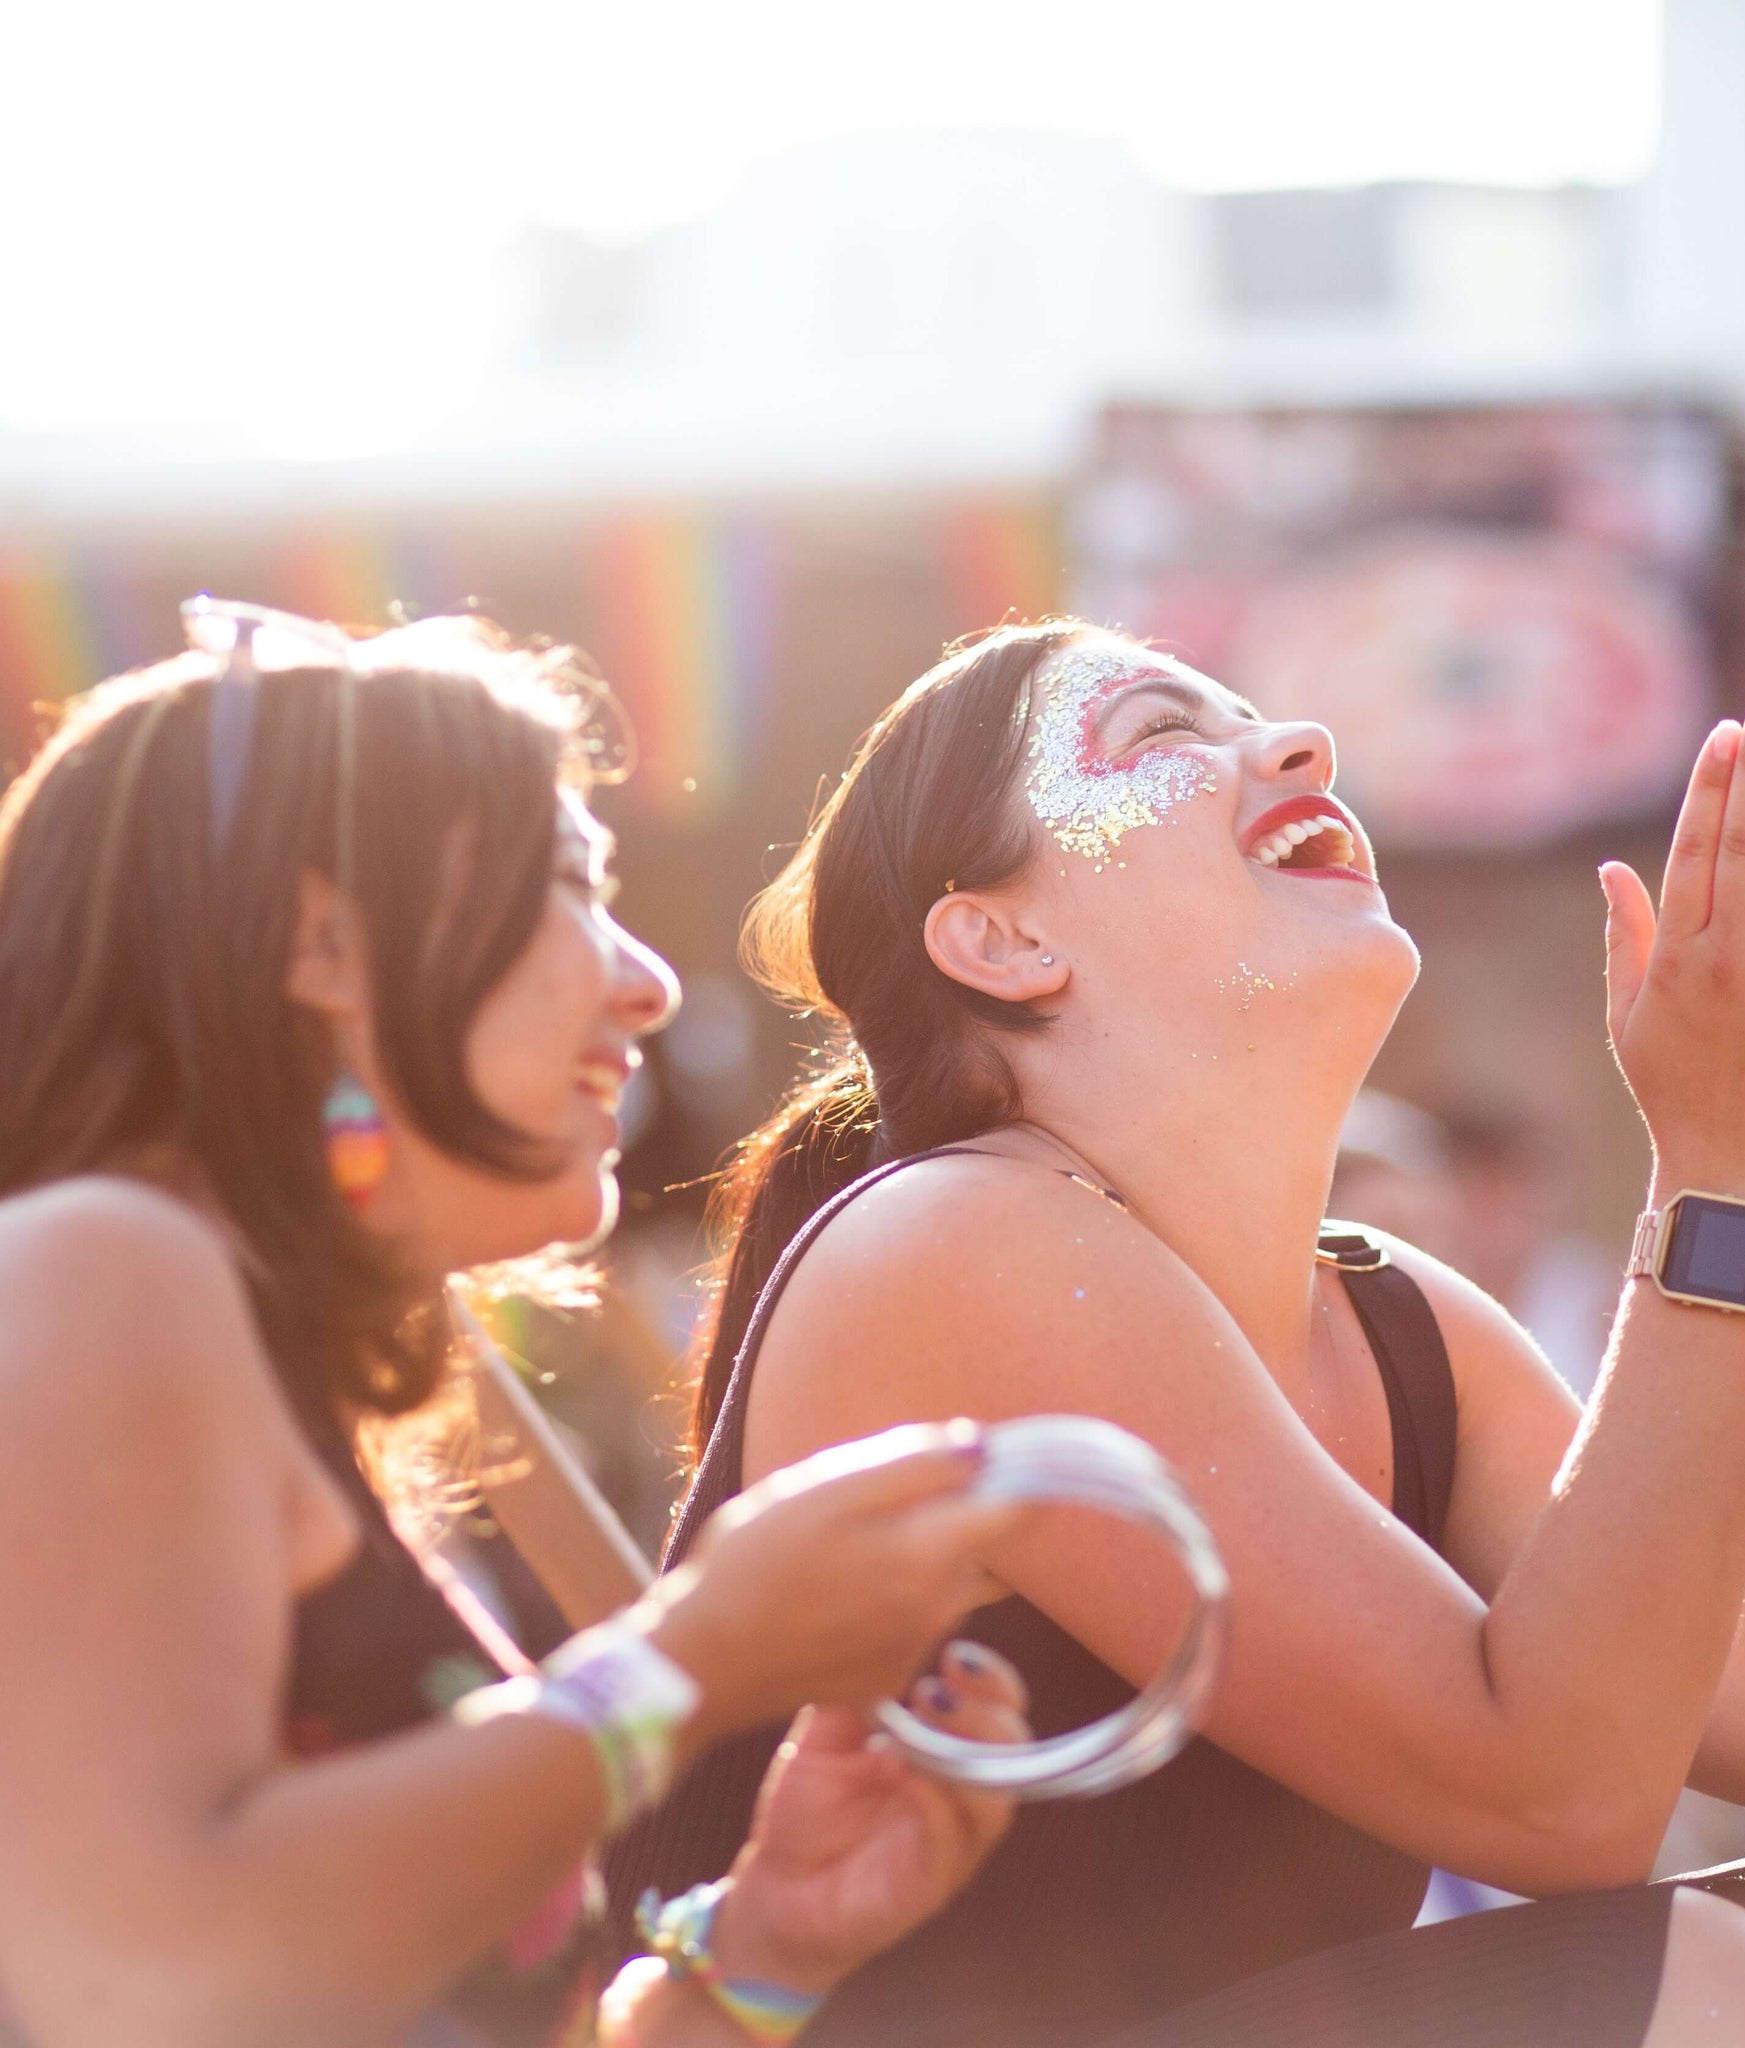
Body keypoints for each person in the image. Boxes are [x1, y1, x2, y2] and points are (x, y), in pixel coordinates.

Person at [614, 620, 1745, 2046]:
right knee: (1714, 1984)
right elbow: (1561, 1804)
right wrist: (1722, 1172)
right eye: (1165, 736)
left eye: (1256, 717)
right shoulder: (954, 1242)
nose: (1300, 746)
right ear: (1001, 940)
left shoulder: (1400, 1320)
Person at [0, 604, 1039, 2048]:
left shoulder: (235, 1347)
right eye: (568, 885)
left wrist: (756, 1957)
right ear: (321, 941)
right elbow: (140, 1983)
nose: (650, 981)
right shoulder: (99, 1262)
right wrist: (693, 1662)